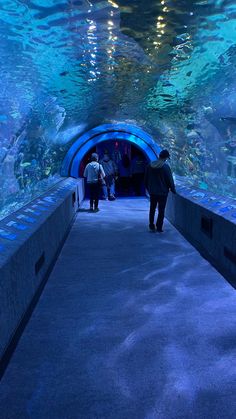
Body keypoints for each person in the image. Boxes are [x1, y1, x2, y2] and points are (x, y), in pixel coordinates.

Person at [144, 149, 176, 232]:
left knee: (152, 208)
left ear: (159, 156)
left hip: (152, 192)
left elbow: (146, 179)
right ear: (165, 158)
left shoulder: (149, 165)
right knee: (161, 210)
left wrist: (148, 188)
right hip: (162, 192)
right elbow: (169, 180)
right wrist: (173, 189)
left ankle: (151, 225)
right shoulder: (165, 167)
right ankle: (159, 227)